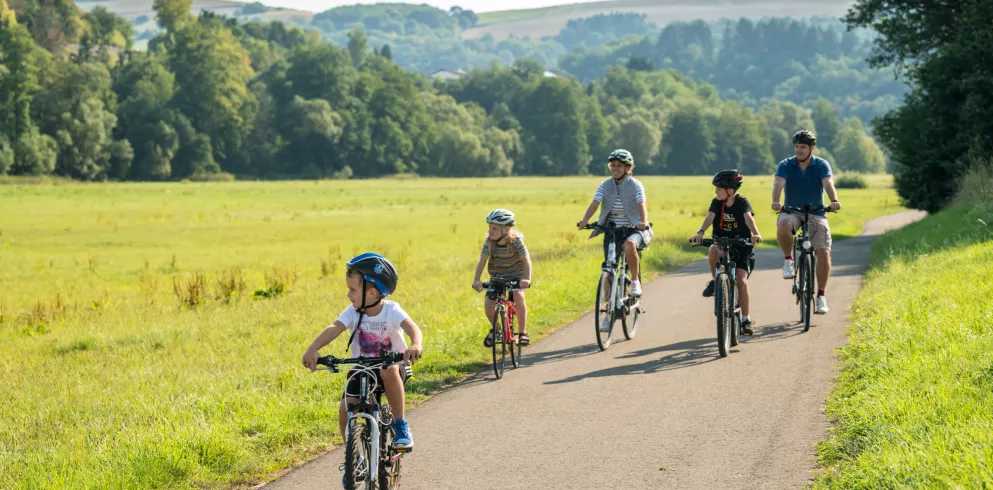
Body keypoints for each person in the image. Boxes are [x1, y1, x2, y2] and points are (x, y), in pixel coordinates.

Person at [302, 253, 423, 454]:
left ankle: (400, 425)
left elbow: (412, 327)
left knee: (388, 369)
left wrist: (415, 344)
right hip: (363, 368)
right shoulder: (353, 311)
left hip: (392, 366)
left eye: (352, 290)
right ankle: (353, 454)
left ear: (373, 293)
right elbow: (334, 327)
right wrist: (313, 348)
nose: (348, 295)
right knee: (345, 407)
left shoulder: (392, 310)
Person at [771, 130, 842, 314]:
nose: (799, 151)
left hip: (816, 212)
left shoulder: (821, 165)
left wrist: (833, 200)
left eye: (802, 147)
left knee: (823, 253)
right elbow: (778, 183)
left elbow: (828, 184)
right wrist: (776, 201)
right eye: (796, 147)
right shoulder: (786, 164)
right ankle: (788, 260)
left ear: (811, 148)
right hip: (792, 211)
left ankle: (821, 296)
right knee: (783, 224)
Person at [690, 169, 763, 335]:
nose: (716, 191)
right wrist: (701, 232)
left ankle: (745, 320)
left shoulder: (742, 202)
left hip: (742, 246)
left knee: (741, 281)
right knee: (713, 250)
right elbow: (710, 217)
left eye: (719, 188)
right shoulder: (717, 202)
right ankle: (716, 281)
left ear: (730, 190)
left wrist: (756, 234)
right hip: (722, 242)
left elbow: (748, 218)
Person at [576, 149, 653, 302]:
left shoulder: (636, 185)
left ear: (627, 168)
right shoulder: (605, 185)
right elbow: (595, 203)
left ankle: (635, 282)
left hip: (633, 228)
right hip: (612, 230)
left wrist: (643, 222)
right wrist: (585, 220)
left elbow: (641, 204)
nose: (615, 169)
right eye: (613, 165)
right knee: (608, 269)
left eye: (619, 165)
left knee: (630, 244)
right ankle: (607, 310)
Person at [472, 209, 532, 347]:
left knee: (518, 295)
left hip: (516, 277)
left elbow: (526, 260)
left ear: (506, 229)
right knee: (488, 305)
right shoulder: (489, 243)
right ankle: (497, 330)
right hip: (497, 278)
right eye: (489, 227)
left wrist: (526, 279)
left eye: (494, 228)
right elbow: (482, 261)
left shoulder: (516, 241)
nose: (490, 231)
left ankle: (522, 332)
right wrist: (476, 279)